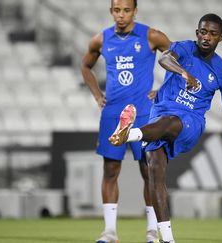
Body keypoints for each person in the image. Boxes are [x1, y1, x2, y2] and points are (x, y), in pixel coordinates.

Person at [109, 13, 222, 243]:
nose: (207, 37)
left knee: (171, 123)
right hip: (159, 114)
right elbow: (164, 59)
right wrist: (184, 73)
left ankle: (130, 134)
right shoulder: (184, 49)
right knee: (155, 173)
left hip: (190, 122)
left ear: (221, 37)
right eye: (203, 32)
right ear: (197, 33)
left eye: (213, 34)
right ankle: (167, 239)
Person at [80, 0, 170, 242]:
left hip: (143, 115)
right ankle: (109, 231)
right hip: (113, 114)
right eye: (117, 10)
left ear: (135, 11)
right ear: (111, 11)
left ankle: (152, 232)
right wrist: (98, 95)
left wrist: (162, 91)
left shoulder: (151, 36)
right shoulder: (101, 39)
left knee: (148, 171)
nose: (121, 15)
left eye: (126, 10)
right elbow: (86, 66)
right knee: (110, 169)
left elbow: (178, 60)